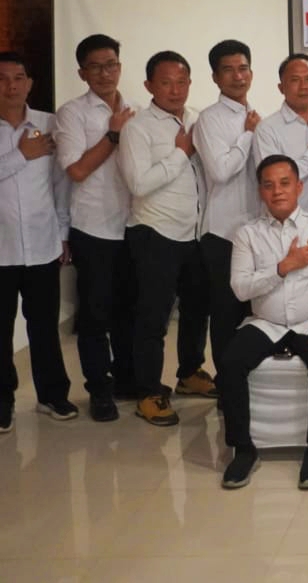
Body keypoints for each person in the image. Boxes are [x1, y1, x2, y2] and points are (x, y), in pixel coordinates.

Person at [220, 155, 308, 490]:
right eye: (269, 185)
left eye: (285, 183)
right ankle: (243, 449)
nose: (277, 191)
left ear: (299, 187)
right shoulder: (247, 234)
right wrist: (283, 267)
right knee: (230, 363)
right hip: (266, 322)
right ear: (260, 191)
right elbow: (240, 288)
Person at [118, 51, 213, 426]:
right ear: (149, 86)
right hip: (155, 232)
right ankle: (148, 392)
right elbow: (138, 184)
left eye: (182, 81)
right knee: (153, 318)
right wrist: (179, 153)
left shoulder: (197, 119)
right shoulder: (137, 128)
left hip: (195, 232)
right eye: (166, 82)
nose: (175, 90)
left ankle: (189, 373)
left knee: (196, 309)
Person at [54, 34, 139, 420]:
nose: (105, 73)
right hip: (93, 227)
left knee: (128, 309)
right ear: (82, 73)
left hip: (134, 224)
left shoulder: (136, 108)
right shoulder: (71, 113)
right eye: (96, 67)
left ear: (120, 66)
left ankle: (126, 378)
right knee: (94, 314)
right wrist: (113, 134)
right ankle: (99, 389)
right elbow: (76, 169)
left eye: (111, 65)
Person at [0, 52, 75, 432]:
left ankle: (52, 395)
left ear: (29, 83)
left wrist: (63, 234)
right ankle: (3, 402)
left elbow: (61, 183)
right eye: (2, 79)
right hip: (1, 249)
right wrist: (20, 155)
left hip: (43, 243)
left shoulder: (49, 124)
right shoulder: (30, 141)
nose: (11, 86)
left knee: (44, 325)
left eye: (18, 77)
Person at [194, 39, 261, 380]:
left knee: (254, 311)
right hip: (223, 232)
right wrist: (248, 136)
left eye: (243, 68)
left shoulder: (256, 116)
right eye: (229, 70)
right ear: (215, 77)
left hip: (256, 231)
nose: (238, 76)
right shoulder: (209, 119)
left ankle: (249, 380)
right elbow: (220, 171)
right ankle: (227, 384)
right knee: (225, 312)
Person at [253, 52, 308, 220]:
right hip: (287, 223)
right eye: (295, 80)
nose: (303, 86)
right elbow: (273, 180)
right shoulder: (267, 129)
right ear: (281, 87)